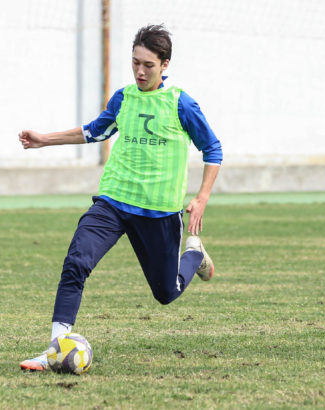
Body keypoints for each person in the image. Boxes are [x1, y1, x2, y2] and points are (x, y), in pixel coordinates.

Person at [18, 24, 222, 371]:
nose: (140, 71)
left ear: (165, 65)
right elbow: (95, 131)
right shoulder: (124, 98)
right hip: (113, 201)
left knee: (166, 293)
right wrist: (44, 140)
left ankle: (194, 255)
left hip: (158, 212)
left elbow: (213, 149)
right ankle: (55, 349)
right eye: (135, 63)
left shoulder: (181, 103)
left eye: (148, 65)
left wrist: (201, 198)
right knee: (76, 262)